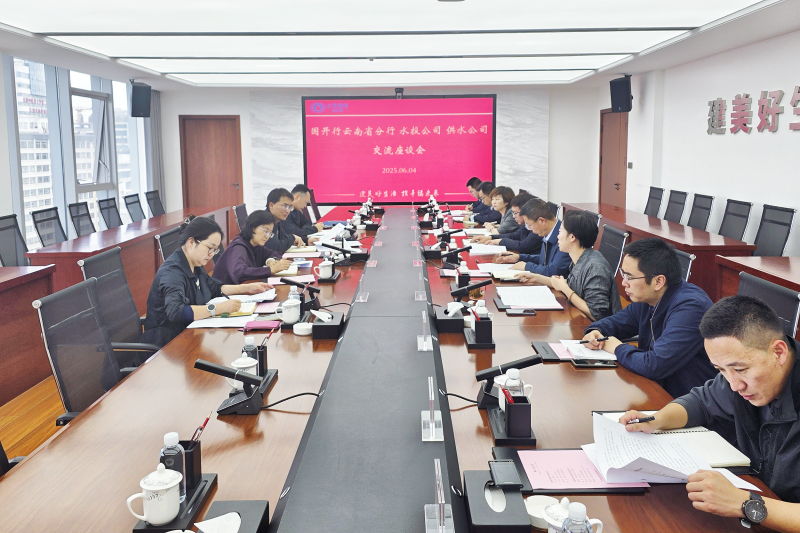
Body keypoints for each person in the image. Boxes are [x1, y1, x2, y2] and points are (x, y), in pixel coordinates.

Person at [622, 296, 800, 532]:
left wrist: (744, 503)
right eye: (720, 370)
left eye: (741, 369)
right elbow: (701, 402)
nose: (734, 385)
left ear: (778, 352)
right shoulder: (737, 374)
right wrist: (657, 419)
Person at [581, 237, 716, 397]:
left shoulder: (691, 307)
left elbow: (655, 365)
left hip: (688, 401)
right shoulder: (648, 298)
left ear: (658, 281)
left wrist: (617, 348)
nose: (624, 283)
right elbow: (614, 323)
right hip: (654, 390)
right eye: (623, 274)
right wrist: (595, 331)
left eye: (630, 277)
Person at [141, 216, 271, 347]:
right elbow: (176, 312)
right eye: (210, 247)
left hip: (190, 334)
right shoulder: (172, 272)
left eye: (215, 250)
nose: (212, 254)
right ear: (191, 242)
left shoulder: (195, 264)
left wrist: (245, 288)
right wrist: (218, 308)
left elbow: (214, 287)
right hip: (166, 344)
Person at [519, 210, 621, 321]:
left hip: (599, 328)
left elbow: (596, 314)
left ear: (572, 237)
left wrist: (565, 289)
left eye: (560, 232)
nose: (558, 236)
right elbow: (570, 284)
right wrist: (536, 278)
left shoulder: (596, 267)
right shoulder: (580, 258)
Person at [494, 198, 571, 277]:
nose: (529, 229)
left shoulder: (564, 237)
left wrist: (526, 266)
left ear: (542, 221)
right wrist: (519, 257)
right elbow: (544, 259)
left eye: (529, 225)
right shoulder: (548, 232)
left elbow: (553, 272)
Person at [211, 210, 293, 285]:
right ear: (253, 227)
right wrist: (270, 270)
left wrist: (270, 260)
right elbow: (239, 273)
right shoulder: (239, 247)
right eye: (265, 231)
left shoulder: (255, 245)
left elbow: (274, 253)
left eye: (270, 233)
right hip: (225, 293)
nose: (267, 236)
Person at [470, 192, 542, 254]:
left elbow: (523, 246)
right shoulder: (525, 225)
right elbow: (514, 235)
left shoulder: (537, 226)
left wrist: (501, 241)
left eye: (515, 213)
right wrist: (491, 237)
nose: (513, 216)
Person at [265, 188, 305, 252]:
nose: (288, 211)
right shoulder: (265, 222)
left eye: (290, 207)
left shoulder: (277, 220)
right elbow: (277, 247)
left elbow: (284, 237)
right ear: (271, 205)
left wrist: (307, 240)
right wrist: (292, 237)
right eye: (285, 206)